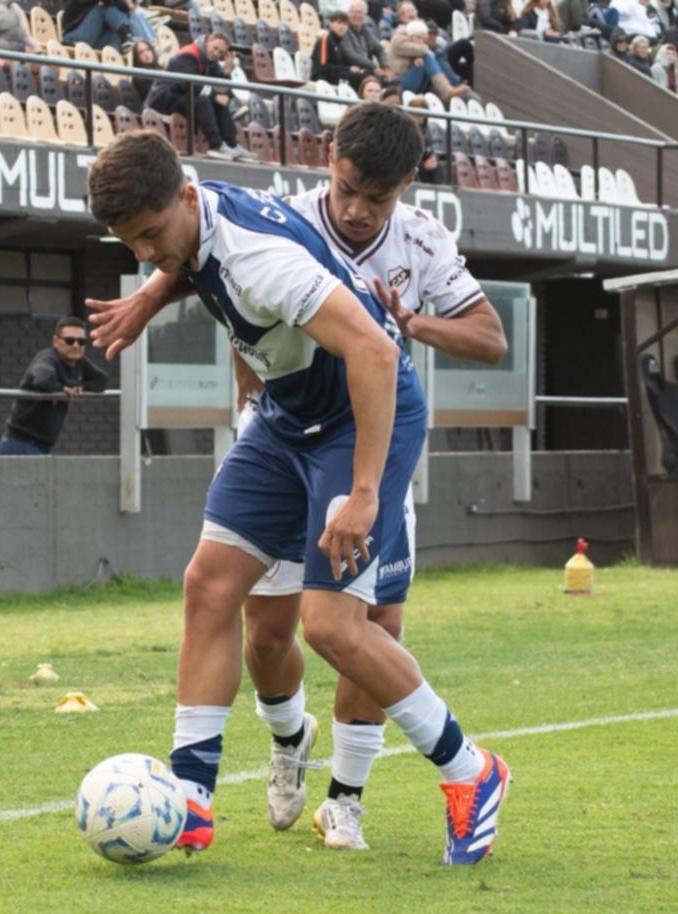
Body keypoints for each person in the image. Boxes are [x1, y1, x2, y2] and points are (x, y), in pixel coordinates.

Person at [84, 130, 510, 864]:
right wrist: (151, 296)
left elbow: (376, 353)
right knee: (208, 585)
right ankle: (191, 796)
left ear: (186, 198)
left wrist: (367, 491)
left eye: (151, 235)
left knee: (334, 628)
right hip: (289, 415)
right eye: (130, 242)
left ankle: (473, 772)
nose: (145, 253)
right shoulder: (199, 219)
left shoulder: (259, 259)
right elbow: (187, 260)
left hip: (358, 413)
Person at [222, 103, 507, 852]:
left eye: (374, 199)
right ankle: (289, 738)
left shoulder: (421, 241)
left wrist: (412, 325)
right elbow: (232, 304)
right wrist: (246, 401)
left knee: (366, 628)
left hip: (369, 455)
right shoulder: (282, 221)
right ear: (327, 157)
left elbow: (489, 338)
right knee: (268, 631)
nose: (354, 210)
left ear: (407, 184)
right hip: (284, 443)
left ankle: (346, 799)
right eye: (346, 188)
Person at [0, 318, 108, 455]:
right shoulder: (48, 358)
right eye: (69, 340)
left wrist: (80, 387)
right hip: (20, 443)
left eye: (81, 342)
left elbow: (101, 380)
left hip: (41, 446)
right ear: (55, 341)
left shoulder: (79, 363)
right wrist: (62, 390)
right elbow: (42, 379)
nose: (75, 345)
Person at [146, 32, 253, 161]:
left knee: (216, 102)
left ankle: (232, 144)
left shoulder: (211, 61)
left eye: (221, 53)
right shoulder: (187, 55)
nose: (216, 53)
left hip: (183, 97)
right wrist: (215, 97)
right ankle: (216, 146)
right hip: (163, 100)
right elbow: (190, 86)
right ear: (208, 41)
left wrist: (226, 72)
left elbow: (221, 91)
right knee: (203, 101)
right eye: (215, 48)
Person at [389, 19, 470, 102]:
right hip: (399, 83)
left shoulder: (416, 49)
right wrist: (425, 51)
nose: (421, 41)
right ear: (410, 36)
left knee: (430, 60)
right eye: (418, 37)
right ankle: (446, 89)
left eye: (423, 39)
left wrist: (417, 58)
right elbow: (420, 50)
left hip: (414, 82)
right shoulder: (398, 40)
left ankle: (446, 91)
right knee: (428, 56)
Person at [60, 0, 155, 52]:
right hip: (74, 36)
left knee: (134, 15)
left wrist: (129, 5)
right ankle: (132, 40)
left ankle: (150, 46)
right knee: (105, 9)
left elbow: (126, 8)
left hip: (96, 40)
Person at [312, 11, 368, 85]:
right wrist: (348, 69)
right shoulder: (325, 39)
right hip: (324, 78)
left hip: (336, 76)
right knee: (361, 78)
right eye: (339, 23)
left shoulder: (339, 42)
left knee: (366, 74)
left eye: (345, 24)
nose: (342, 27)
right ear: (330, 24)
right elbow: (323, 67)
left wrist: (352, 68)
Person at [344, 0, 391, 76]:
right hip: (350, 70)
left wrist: (385, 66)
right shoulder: (344, 30)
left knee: (393, 81)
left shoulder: (365, 29)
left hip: (366, 69)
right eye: (353, 12)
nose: (357, 15)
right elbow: (351, 56)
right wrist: (374, 67)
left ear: (365, 15)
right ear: (348, 14)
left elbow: (379, 49)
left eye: (360, 12)